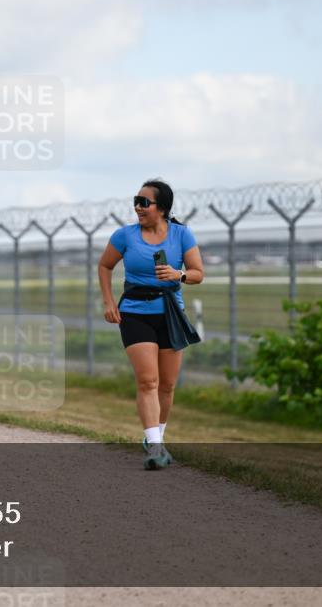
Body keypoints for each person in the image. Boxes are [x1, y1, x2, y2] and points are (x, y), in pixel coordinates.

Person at [97, 179, 204, 470]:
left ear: (163, 208)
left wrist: (177, 275)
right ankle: (155, 447)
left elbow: (198, 273)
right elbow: (105, 265)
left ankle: (157, 437)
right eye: (136, 201)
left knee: (167, 386)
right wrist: (109, 302)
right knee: (148, 381)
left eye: (144, 202)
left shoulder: (181, 234)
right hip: (134, 313)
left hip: (170, 313)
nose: (138, 207)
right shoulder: (125, 236)